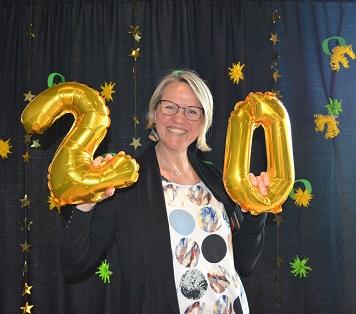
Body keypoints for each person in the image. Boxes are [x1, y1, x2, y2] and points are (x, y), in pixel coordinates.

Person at [61, 69, 269, 314]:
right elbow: (74, 265)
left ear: (203, 121)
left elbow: (245, 262)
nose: (180, 118)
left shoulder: (217, 180)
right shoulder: (126, 182)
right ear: (154, 113)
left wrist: (255, 211)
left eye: (192, 111)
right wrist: (85, 203)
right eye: (170, 107)